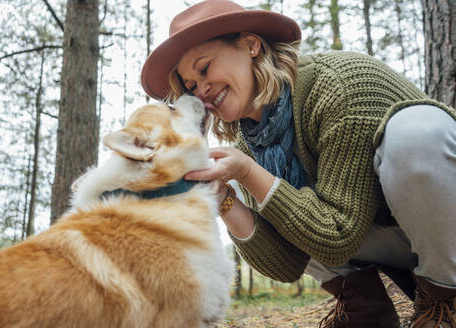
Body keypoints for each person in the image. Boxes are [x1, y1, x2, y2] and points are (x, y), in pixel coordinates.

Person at [141, 1, 456, 327]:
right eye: (191, 85)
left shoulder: (338, 86)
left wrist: (250, 174)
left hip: (446, 230)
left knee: (414, 132)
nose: (201, 89)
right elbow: (287, 264)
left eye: (204, 68)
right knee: (260, 191)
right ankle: (365, 309)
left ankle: (446, 302)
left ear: (251, 45)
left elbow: (337, 235)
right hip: (397, 239)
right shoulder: (249, 147)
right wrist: (224, 199)